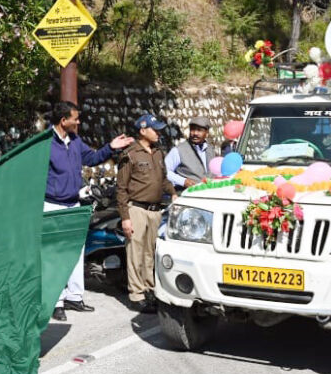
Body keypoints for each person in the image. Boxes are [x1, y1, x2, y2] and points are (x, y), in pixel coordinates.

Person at [45, 101, 134, 321]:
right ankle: (56, 302)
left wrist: (111, 147)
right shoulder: (45, 143)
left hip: (74, 204)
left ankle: (75, 297)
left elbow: (92, 158)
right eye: (75, 118)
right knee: (55, 255)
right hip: (52, 205)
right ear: (63, 120)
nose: (78, 121)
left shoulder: (75, 141)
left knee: (76, 252)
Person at [117, 114, 177, 312]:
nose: (158, 132)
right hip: (136, 209)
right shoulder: (131, 154)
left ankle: (150, 289)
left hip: (155, 210)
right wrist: (125, 217)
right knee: (135, 253)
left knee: (150, 253)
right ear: (143, 131)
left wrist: (173, 193)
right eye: (155, 129)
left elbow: (164, 179)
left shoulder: (158, 153)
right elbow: (121, 188)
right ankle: (136, 295)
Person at [165, 116, 214, 191]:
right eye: (192, 129)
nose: (195, 133)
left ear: (206, 133)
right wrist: (183, 181)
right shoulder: (179, 150)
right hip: (187, 196)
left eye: (199, 130)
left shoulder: (210, 150)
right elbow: (165, 171)